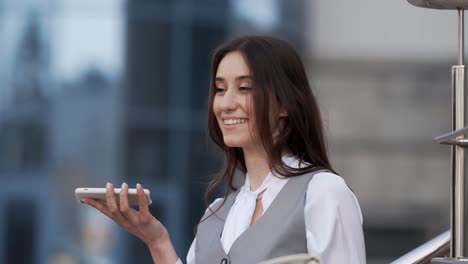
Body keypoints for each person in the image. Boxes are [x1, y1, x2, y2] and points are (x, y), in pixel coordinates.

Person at [82, 35, 366, 264]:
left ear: (283, 104)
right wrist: (156, 240)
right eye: (220, 89)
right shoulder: (217, 214)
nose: (226, 103)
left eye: (244, 88)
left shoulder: (323, 193)